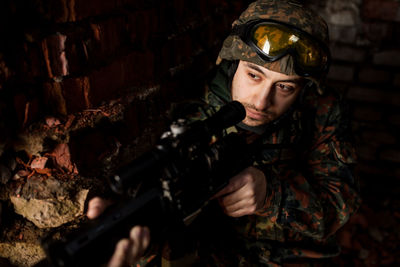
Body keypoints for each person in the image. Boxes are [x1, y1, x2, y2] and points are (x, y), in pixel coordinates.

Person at [87, 0, 361, 266]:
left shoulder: (320, 111)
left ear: (303, 90)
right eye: (254, 75)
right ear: (232, 64)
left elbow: (338, 206)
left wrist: (272, 194)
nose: (262, 101)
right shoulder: (192, 110)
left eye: (285, 88)